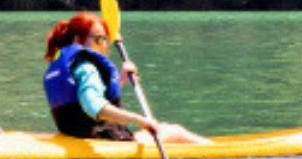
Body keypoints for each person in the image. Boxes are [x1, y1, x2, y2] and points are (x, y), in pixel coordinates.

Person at [41, 13, 206, 144]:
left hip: (77, 136)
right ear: (78, 40)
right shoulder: (87, 68)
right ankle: (219, 153)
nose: (105, 45)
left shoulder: (72, 66)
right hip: (104, 140)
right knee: (174, 131)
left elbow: (81, 103)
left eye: (105, 39)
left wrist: (120, 79)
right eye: (99, 39)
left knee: (165, 130)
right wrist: (140, 119)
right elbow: (94, 107)